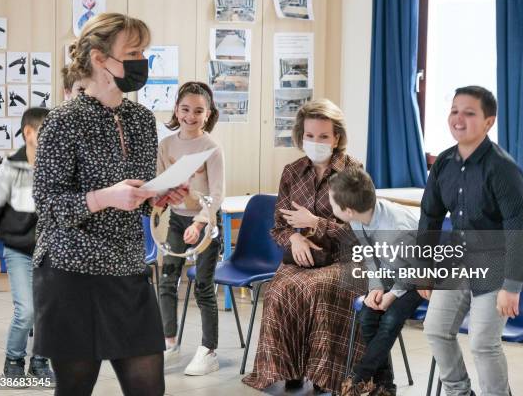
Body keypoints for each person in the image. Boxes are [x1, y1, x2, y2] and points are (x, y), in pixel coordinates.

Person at [32, 13, 186, 396]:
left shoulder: (141, 120)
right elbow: (48, 206)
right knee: (75, 386)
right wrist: (105, 197)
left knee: (149, 386)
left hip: (127, 267)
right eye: (132, 52)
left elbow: (135, 199)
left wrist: (158, 196)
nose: (141, 61)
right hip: (71, 271)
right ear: (100, 59)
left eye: (143, 52)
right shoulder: (63, 121)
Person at [242, 99, 365, 394]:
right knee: (277, 290)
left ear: (336, 137)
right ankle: (289, 370)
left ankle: (324, 377)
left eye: (324, 136)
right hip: (302, 257)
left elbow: (360, 232)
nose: (316, 141)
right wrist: (295, 238)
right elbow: (279, 226)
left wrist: (315, 222)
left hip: (344, 261)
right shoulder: (292, 172)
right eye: (310, 135)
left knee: (316, 290)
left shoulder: (353, 173)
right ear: (301, 136)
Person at [419, 86, 523, 396]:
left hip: (495, 266)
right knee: (436, 330)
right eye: (455, 110)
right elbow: (429, 218)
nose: (459, 118)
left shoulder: (502, 167)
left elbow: (518, 227)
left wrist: (512, 286)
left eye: (469, 113)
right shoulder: (443, 163)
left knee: (483, 342)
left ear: (488, 122)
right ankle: (459, 392)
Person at [328, 167, 423, 396]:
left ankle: (357, 377)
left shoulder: (396, 230)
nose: (330, 206)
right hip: (394, 272)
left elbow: (416, 269)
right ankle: (385, 385)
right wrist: (377, 287)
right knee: (368, 316)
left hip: (423, 277)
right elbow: (369, 255)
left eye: (332, 203)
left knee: (390, 320)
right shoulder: (360, 218)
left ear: (348, 210)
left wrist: (392, 295)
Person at [0, 107, 55, 388]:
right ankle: (13, 360)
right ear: (29, 134)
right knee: (26, 312)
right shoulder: (11, 168)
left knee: (48, 310)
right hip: (19, 250)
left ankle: (40, 362)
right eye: (47, 132)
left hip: (50, 251)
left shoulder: (56, 166)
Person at [157, 81, 225, 375]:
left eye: (198, 111)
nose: (191, 116)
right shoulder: (166, 146)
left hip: (205, 223)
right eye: (185, 109)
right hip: (175, 220)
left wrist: (200, 223)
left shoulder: (212, 148)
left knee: (203, 287)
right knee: (167, 280)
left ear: (208, 114)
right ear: (176, 109)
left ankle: (209, 350)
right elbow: (159, 189)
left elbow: (218, 195)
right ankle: (169, 344)